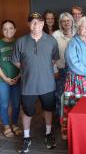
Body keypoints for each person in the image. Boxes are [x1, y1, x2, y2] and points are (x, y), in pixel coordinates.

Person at [12, 12, 59, 153]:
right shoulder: (20, 41)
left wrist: (41, 68)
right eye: (32, 22)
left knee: (48, 109)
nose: (36, 24)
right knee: (27, 111)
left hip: (47, 84)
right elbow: (15, 61)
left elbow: (53, 59)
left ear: (43, 24)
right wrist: (29, 69)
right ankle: (27, 138)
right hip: (28, 86)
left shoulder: (51, 41)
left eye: (39, 22)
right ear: (28, 24)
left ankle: (48, 134)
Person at [0, 20, 21, 138]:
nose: (8, 31)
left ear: (15, 29)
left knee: (17, 104)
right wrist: (5, 78)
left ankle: (15, 124)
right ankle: (6, 125)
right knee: (4, 104)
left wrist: (19, 76)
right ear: (2, 31)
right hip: (3, 80)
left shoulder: (19, 43)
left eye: (11, 28)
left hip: (18, 79)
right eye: (5, 29)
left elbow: (24, 62)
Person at [52, 12, 75, 118]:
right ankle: (60, 119)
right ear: (60, 23)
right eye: (64, 21)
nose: (66, 23)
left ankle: (72, 117)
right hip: (61, 69)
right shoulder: (55, 35)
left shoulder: (77, 33)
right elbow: (51, 55)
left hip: (75, 70)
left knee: (74, 95)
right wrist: (55, 70)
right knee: (60, 94)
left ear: (72, 21)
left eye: (68, 20)